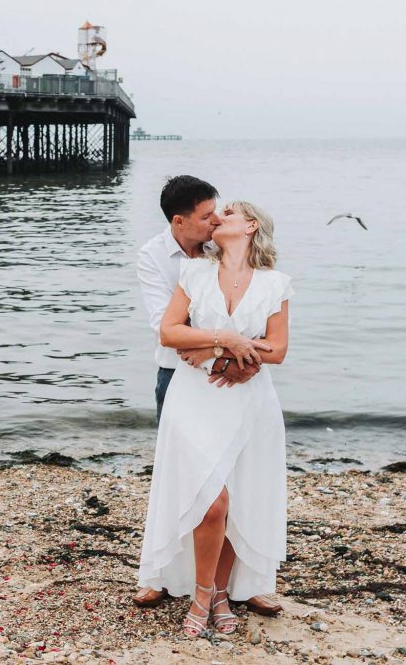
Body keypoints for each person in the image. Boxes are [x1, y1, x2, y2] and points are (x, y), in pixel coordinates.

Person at [137, 200, 292, 637]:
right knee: (212, 500)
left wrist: (216, 349)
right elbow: (170, 332)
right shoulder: (194, 273)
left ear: (251, 226)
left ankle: (219, 594)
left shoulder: (275, 283)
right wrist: (227, 341)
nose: (218, 217)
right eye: (214, 212)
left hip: (249, 402)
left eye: (229, 211)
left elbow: (277, 350)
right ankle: (202, 594)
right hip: (194, 398)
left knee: (236, 500)